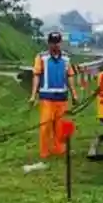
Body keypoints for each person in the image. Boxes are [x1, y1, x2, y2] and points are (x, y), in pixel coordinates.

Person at [30, 31, 79, 161]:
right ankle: (44, 152)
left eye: (57, 42)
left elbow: (70, 77)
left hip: (62, 98)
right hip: (46, 97)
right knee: (45, 125)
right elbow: (36, 75)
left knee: (60, 125)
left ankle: (59, 149)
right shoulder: (41, 57)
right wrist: (33, 95)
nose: (55, 45)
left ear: (60, 43)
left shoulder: (66, 58)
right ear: (49, 43)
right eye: (53, 42)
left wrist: (74, 94)